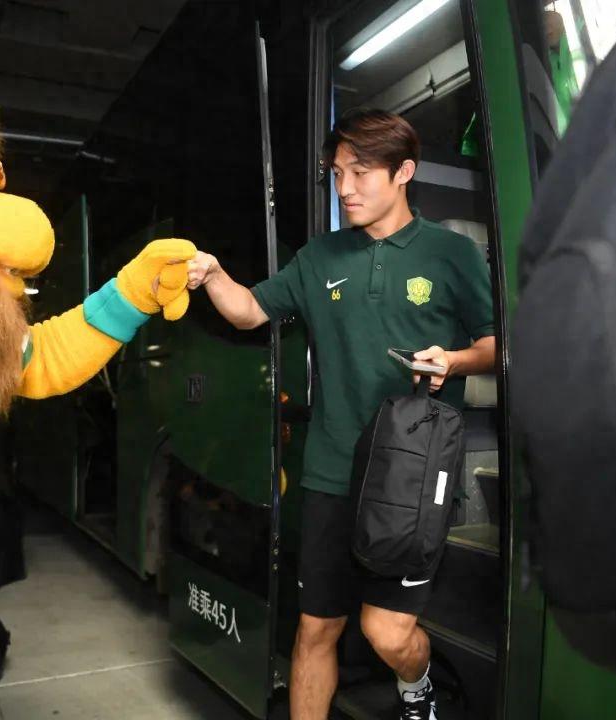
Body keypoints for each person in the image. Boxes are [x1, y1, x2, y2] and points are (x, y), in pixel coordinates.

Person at [186, 108, 496, 720]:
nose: (345, 188)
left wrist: (454, 361)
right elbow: (249, 311)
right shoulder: (320, 257)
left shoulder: (452, 254)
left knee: (386, 633)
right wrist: (215, 274)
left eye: (360, 172)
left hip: (410, 476)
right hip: (331, 471)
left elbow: (496, 346)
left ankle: (417, 686)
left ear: (403, 172)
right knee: (314, 630)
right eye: (336, 174)